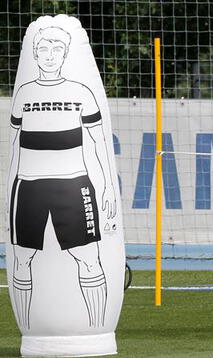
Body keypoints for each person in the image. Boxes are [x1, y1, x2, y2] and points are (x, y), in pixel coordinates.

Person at [8, 26, 116, 328]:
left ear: (66, 54)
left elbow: (99, 142)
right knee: (22, 260)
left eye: (57, 49)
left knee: (89, 258)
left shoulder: (81, 93)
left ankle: (95, 332)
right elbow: (15, 146)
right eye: (43, 49)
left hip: (73, 184)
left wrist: (107, 186)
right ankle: (31, 331)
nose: (50, 55)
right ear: (34, 53)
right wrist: (8, 194)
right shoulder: (25, 94)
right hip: (28, 187)